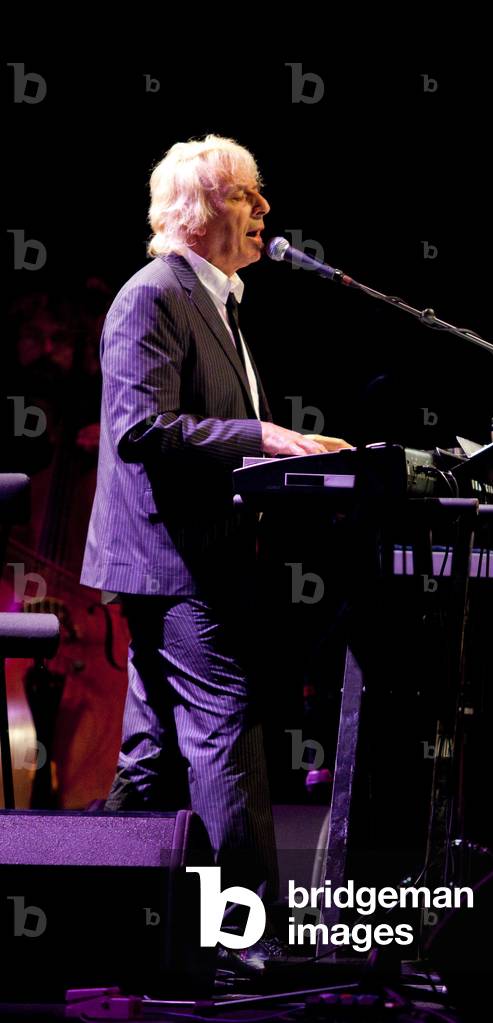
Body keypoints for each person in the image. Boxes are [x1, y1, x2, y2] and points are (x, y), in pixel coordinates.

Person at [80, 135, 326, 961]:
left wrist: (280, 457)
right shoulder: (152, 296)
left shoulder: (215, 300)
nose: (263, 210)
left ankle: (93, 909)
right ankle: (253, 936)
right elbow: (140, 429)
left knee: (152, 751)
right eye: (248, 194)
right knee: (226, 727)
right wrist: (263, 435)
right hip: (169, 561)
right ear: (199, 209)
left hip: (200, 555)